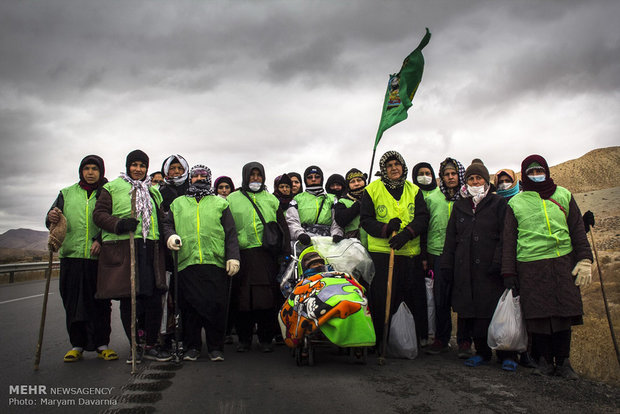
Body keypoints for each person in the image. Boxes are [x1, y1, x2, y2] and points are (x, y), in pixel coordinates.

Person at [502, 155, 593, 379]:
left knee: (564, 312)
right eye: (531, 172)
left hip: (563, 262)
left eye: (539, 170)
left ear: (547, 171)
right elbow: (509, 240)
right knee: (538, 315)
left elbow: (577, 230)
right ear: (524, 175)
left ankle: (563, 362)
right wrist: (509, 272)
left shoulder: (564, 195)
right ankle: (543, 360)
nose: (536, 175)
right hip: (530, 264)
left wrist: (584, 259)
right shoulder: (516, 202)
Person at [93, 149, 170, 363]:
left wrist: (169, 238)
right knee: (129, 298)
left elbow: (162, 218)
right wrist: (119, 224)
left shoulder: (153, 191)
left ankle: (151, 344)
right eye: (134, 165)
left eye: (142, 166)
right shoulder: (112, 187)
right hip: (125, 247)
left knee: (154, 298)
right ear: (128, 166)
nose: (138, 169)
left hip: (151, 248)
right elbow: (98, 215)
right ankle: (134, 346)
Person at [441, 159, 518, 371]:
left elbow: (506, 236)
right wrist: (447, 264)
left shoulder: (498, 204)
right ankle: (482, 352)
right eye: (471, 178)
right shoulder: (460, 205)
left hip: (491, 269)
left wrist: (499, 262)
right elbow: (451, 238)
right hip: (465, 268)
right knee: (474, 313)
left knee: (497, 312)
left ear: (486, 180)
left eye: (479, 178)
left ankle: (506, 355)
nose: (475, 181)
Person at [162, 165, 240, 362]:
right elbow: (167, 224)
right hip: (187, 262)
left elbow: (230, 232)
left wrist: (233, 256)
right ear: (190, 178)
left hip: (214, 261)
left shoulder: (220, 203)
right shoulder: (178, 203)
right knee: (189, 308)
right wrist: (170, 236)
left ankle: (215, 347)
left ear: (208, 178)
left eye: (203, 175)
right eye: (195, 175)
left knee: (215, 306)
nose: (198, 178)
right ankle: (192, 347)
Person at [46, 155, 118, 363]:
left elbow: (111, 219)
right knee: (72, 301)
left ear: (101, 171)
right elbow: (51, 217)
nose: (90, 172)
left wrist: (100, 240)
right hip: (72, 256)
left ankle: (102, 345)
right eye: (86, 168)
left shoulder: (107, 193)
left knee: (100, 302)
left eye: (94, 168)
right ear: (81, 171)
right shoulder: (66, 193)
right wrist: (51, 217)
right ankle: (76, 345)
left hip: (98, 258)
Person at [360, 151, 429, 352]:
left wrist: (407, 233)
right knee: (383, 299)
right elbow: (366, 219)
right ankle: (380, 341)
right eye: (389, 165)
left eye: (397, 164)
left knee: (412, 298)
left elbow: (423, 218)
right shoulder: (372, 190)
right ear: (384, 170)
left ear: (403, 166)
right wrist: (386, 229)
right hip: (383, 254)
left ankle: (413, 341)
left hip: (409, 254)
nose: (393, 168)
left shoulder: (414, 190)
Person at [227, 162, 290, 352]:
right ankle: (244, 339)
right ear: (245, 176)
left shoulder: (271, 200)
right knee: (242, 299)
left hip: (266, 256)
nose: (255, 178)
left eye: (259, 175)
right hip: (242, 255)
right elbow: (227, 228)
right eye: (252, 175)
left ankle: (265, 339)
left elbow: (282, 227)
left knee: (266, 299)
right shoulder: (231, 199)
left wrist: (285, 253)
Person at [423, 157, 469, 356]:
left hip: (463, 255)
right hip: (438, 253)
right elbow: (425, 228)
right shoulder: (432, 198)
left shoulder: (468, 198)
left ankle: (465, 342)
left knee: (464, 299)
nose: (450, 178)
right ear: (441, 177)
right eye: (446, 174)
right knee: (441, 298)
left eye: (454, 174)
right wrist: (425, 254)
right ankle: (441, 339)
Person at [287, 165, 340, 245]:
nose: (313, 179)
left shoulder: (332, 198)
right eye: (310, 177)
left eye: (317, 177)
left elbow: (336, 221)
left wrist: (337, 234)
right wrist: (300, 234)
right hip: (305, 240)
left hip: (328, 241)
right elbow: (292, 220)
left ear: (322, 179)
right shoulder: (297, 199)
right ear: (305, 180)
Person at [333, 168, 368, 245]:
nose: (356, 184)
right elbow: (341, 221)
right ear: (348, 185)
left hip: (373, 243)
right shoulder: (342, 202)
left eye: (359, 180)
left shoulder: (373, 197)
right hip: (353, 244)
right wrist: (358, 205)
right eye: (352, 182)